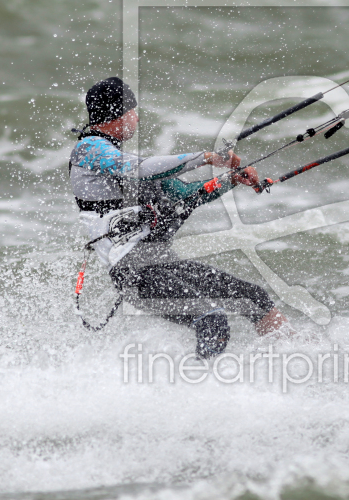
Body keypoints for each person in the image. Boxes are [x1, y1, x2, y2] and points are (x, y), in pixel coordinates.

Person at [68, 77, 287, 358]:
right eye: (132, 111)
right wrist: (205, 157)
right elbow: (140, 168)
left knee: (254, 298)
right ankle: (194, 394)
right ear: (118, 114)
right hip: (134, 272)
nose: (136, 118)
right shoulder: (89, 150)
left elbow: (186, 195)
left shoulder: (120, 157)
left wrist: (231, 180)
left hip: (160, 261)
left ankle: (293, 356)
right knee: (212, 320)